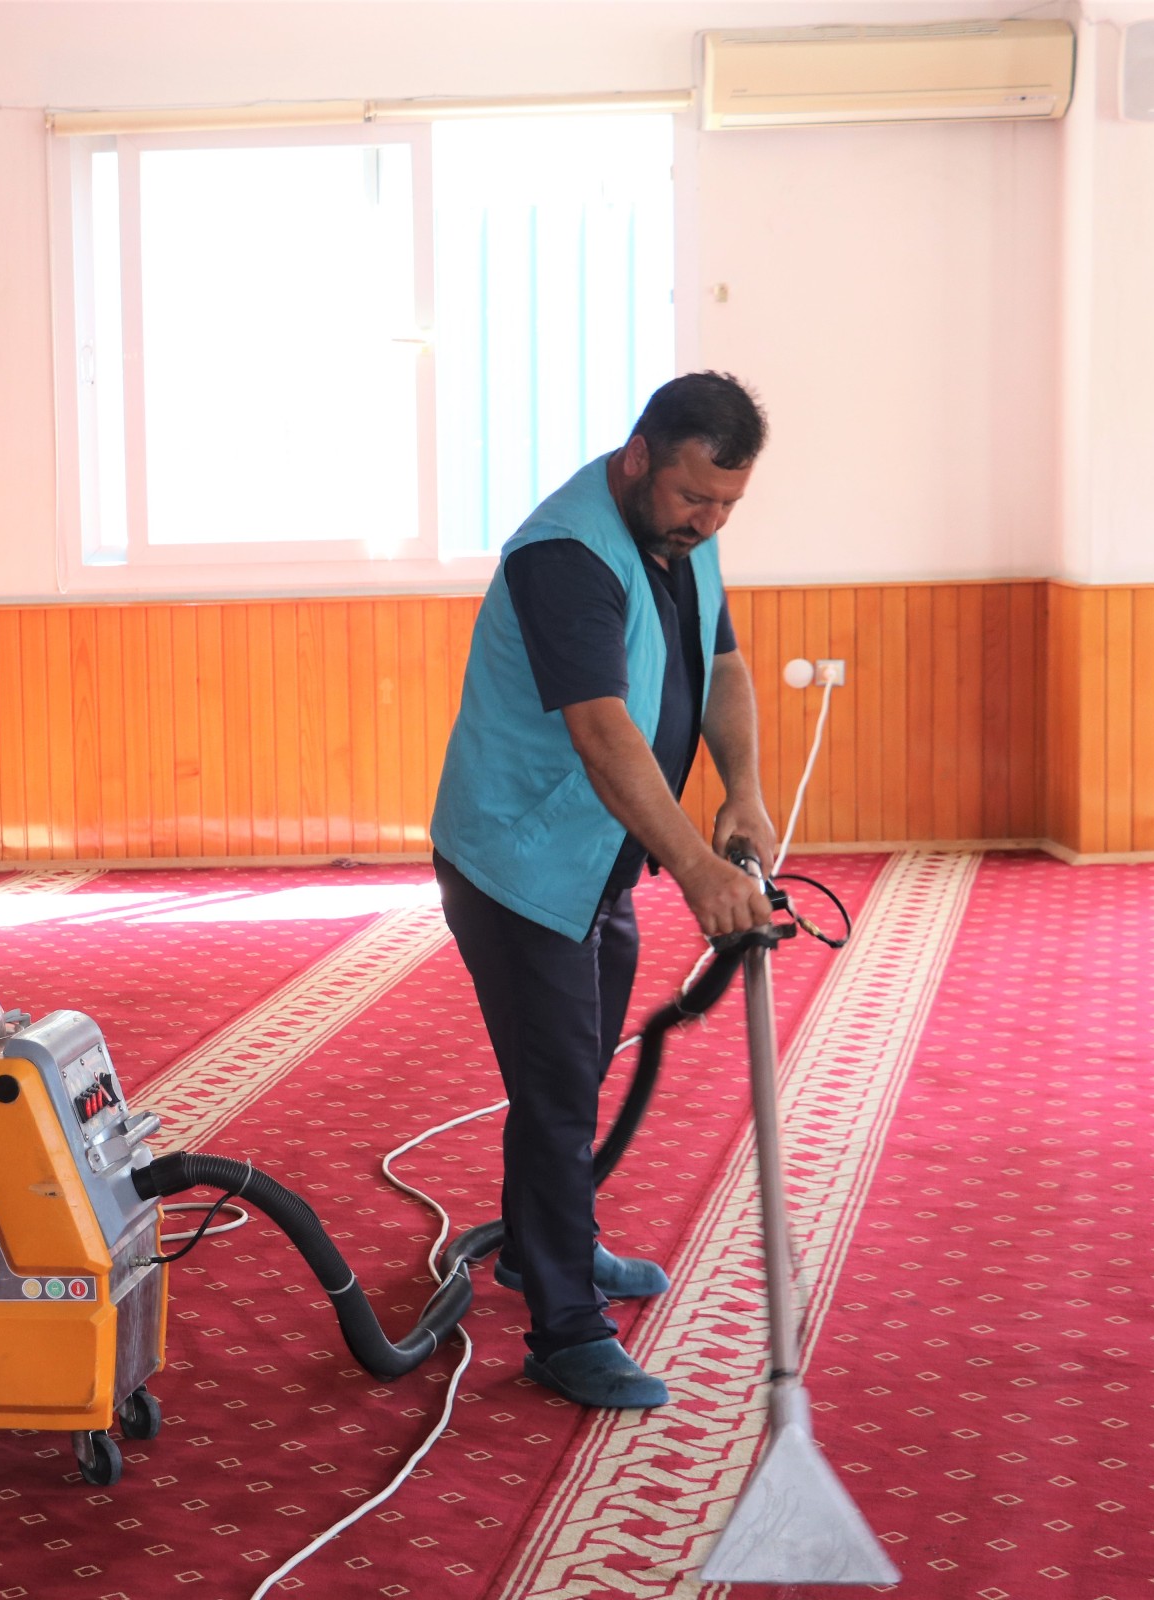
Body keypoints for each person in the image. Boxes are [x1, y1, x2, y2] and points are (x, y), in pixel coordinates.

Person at [430, 372, 777, 1410]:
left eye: (728, 506)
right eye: (692, 499)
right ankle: (564, 1328)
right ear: (638, 458)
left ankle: (548, 1248)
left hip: (596, 862)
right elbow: (602, 731)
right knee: (557, 1089)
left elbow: (722, 668)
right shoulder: (566, 556)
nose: (709, 522)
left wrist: (745, 794)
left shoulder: (684, 535)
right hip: (519, 866)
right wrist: (699, 869)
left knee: (573, 1078)